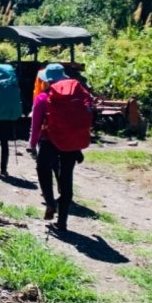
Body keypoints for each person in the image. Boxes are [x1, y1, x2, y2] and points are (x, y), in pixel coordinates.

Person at [28, 63, 94, 232]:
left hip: (50, 141)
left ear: (48, 80)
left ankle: (50, 203)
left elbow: (35, 125)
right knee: (66, 179)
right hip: (71, 143)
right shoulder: (77, 94)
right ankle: (62, 222)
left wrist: (32, 145)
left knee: (43, 169)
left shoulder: (43, 98)